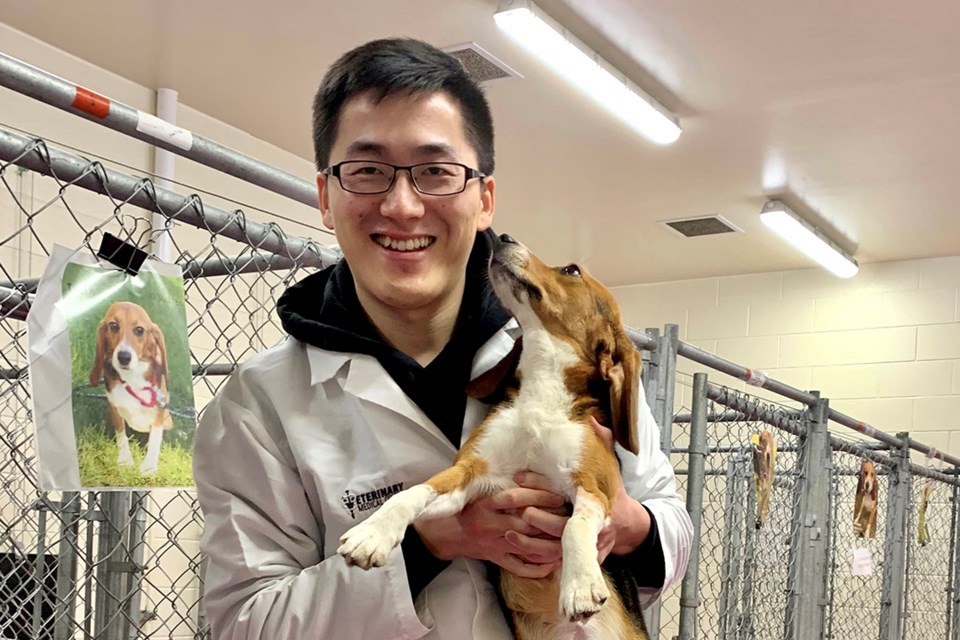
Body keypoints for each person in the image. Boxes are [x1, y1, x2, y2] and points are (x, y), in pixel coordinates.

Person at [194, 37, 692, 639]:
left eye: (435, 171)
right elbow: (247, 624)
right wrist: (429, 544)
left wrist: (626, 524)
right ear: (326, 196)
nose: (402, 206)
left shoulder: (575, 359)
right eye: (368, 171)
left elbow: (670, 526)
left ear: (484, 197)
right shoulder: (258, 405)